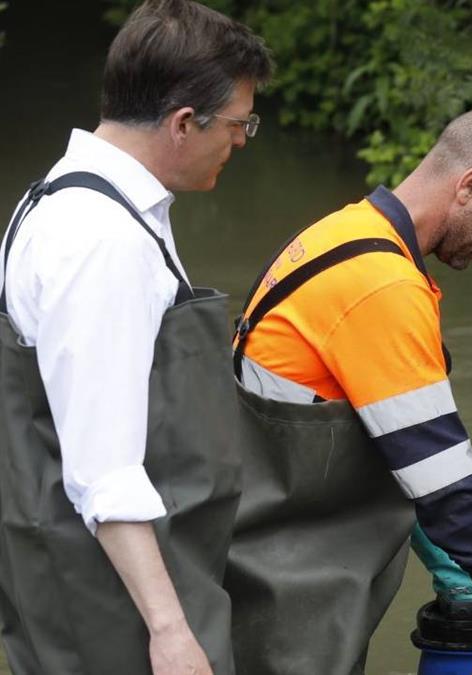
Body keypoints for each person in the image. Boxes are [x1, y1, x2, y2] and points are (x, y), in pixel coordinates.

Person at [228, 107, 472, 674]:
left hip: (256, 544)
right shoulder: (383, 286)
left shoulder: (342, 233)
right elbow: (443, 474)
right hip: (287, 573)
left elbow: (390, 435)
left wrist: (447, 552)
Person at [0, 1, 272, 673]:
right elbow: (104, 468)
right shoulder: (104, 240)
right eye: (238, 125)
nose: (242, 142)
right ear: (183, 123)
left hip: (78, 571)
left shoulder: (58, 196)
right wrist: (170, 630)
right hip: (113, 598)